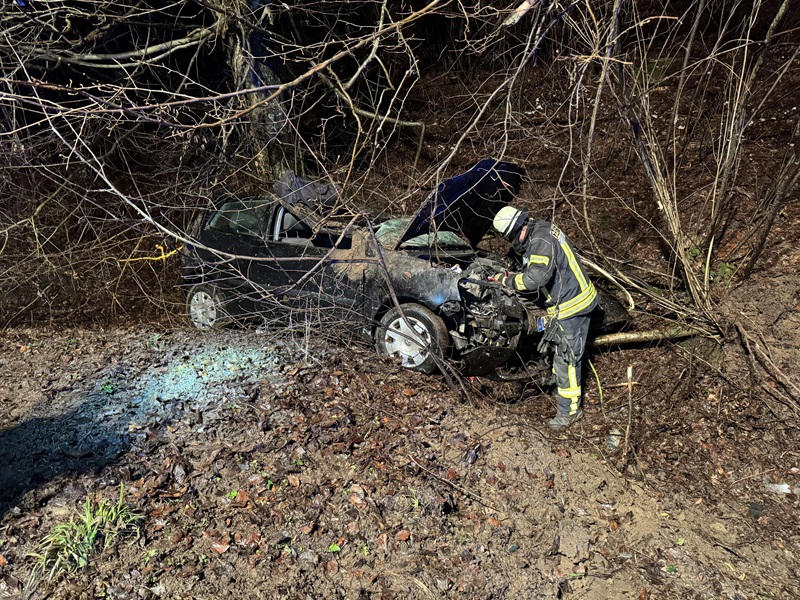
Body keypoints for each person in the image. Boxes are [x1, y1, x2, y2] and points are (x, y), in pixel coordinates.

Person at [491, 206, 598, 431]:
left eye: (511, 237)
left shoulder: (540, 242)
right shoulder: (541, 229)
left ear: (520, 228)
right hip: (571, 298)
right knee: (557, 349)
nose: (513, 242)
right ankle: (555, 384)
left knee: (567, 359)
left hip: (572, 306)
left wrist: (506, 281)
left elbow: (534, 280)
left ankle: (569, 412)